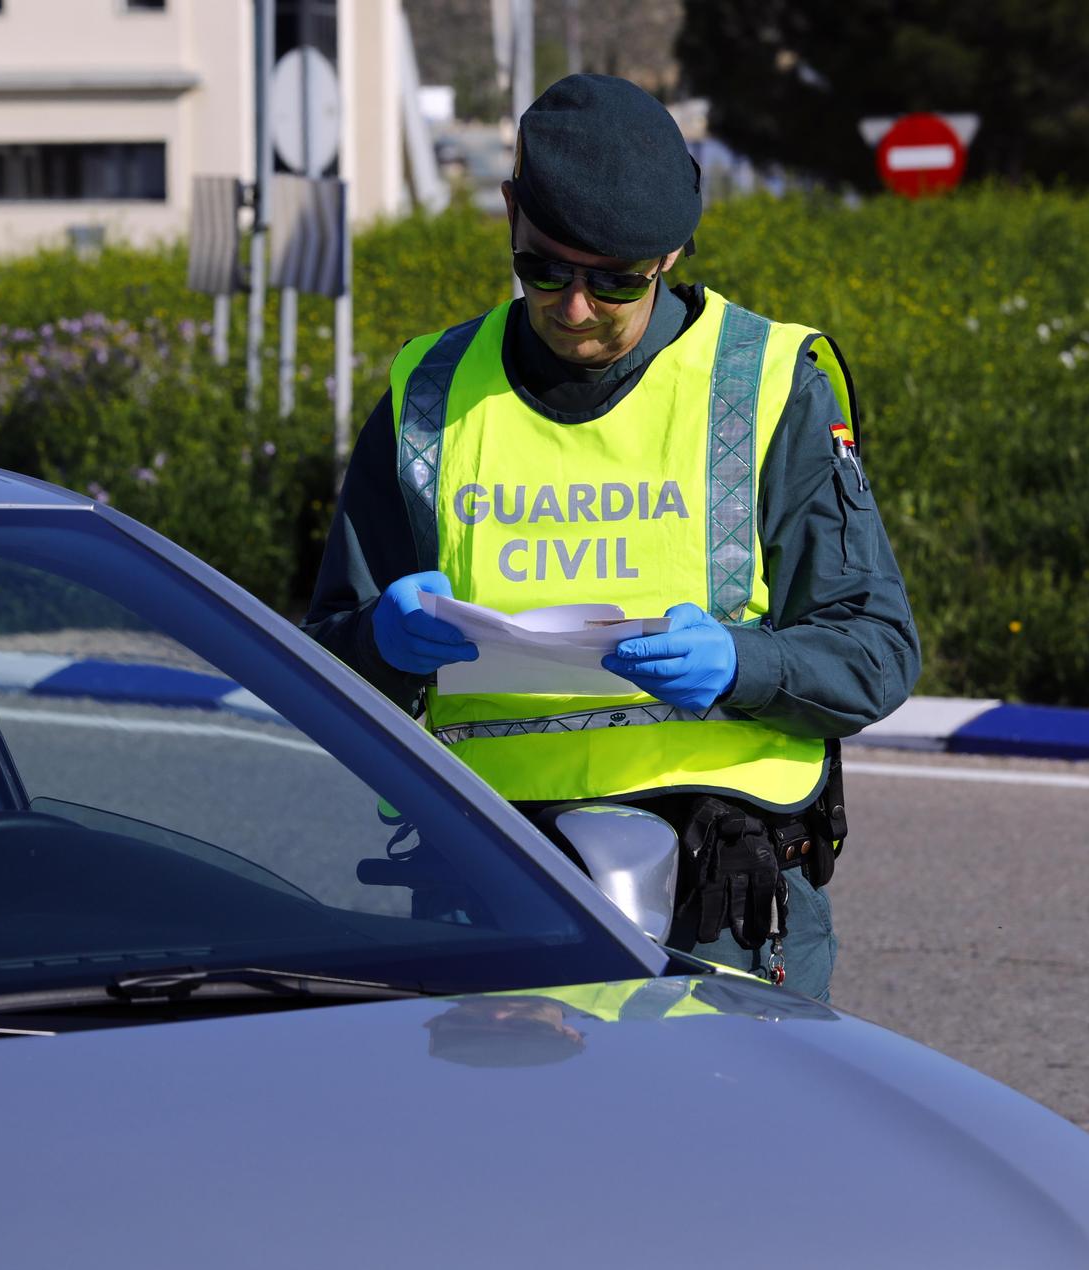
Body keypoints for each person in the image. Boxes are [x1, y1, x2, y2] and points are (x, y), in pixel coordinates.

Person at [305, 74, 920, 1003]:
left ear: (671, 254)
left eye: (616, 281)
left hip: (724, 908)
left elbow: (876, 652)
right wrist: (378, 649)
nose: (577, 307)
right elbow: (321, 671)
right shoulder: (428, 398)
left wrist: (744, 666)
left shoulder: (766, 386)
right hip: (492, 896)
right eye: (545, 269)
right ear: (509, 213)